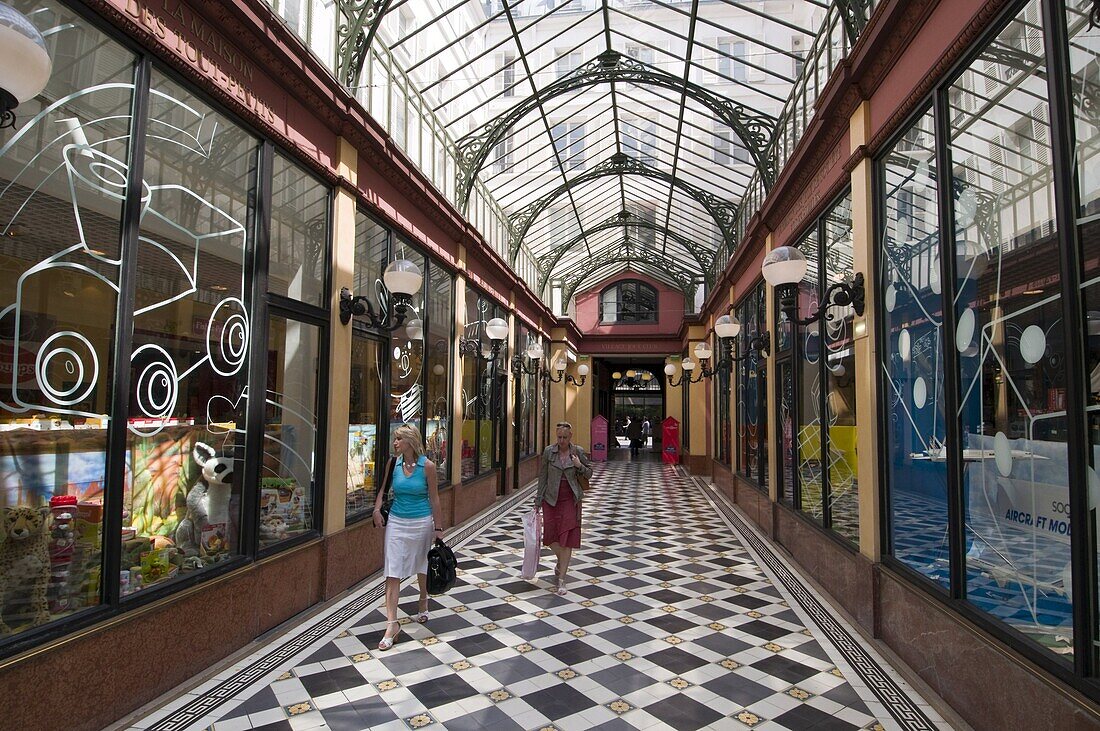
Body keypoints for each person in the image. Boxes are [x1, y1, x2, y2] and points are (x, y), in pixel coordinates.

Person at [373, 424, 444, 650]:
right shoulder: (393, 464)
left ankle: (423, 600)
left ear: (410, 442)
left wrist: (438, 528)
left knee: (422, 565)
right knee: (392, 570)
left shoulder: (428, 466)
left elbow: (434, 499)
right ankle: (392, 624)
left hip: (422, 522)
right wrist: (376, 510)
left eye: (398, 439)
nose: (395, 443)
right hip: (396, 521)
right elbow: (383, 490)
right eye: (394, 439)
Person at [534, 422, 593, 595]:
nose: (561, 441)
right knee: (551, 537)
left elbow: (589, 473)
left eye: (564, 438)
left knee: (566, 538)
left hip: (570, 499)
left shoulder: (578, 452)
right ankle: (561, 561)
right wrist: (538, 500)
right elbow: (543, 476)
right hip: (551, 499)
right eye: (559, 437)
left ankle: (562, 580)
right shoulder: (548, 452)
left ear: (570, 437)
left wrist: (578, 465)